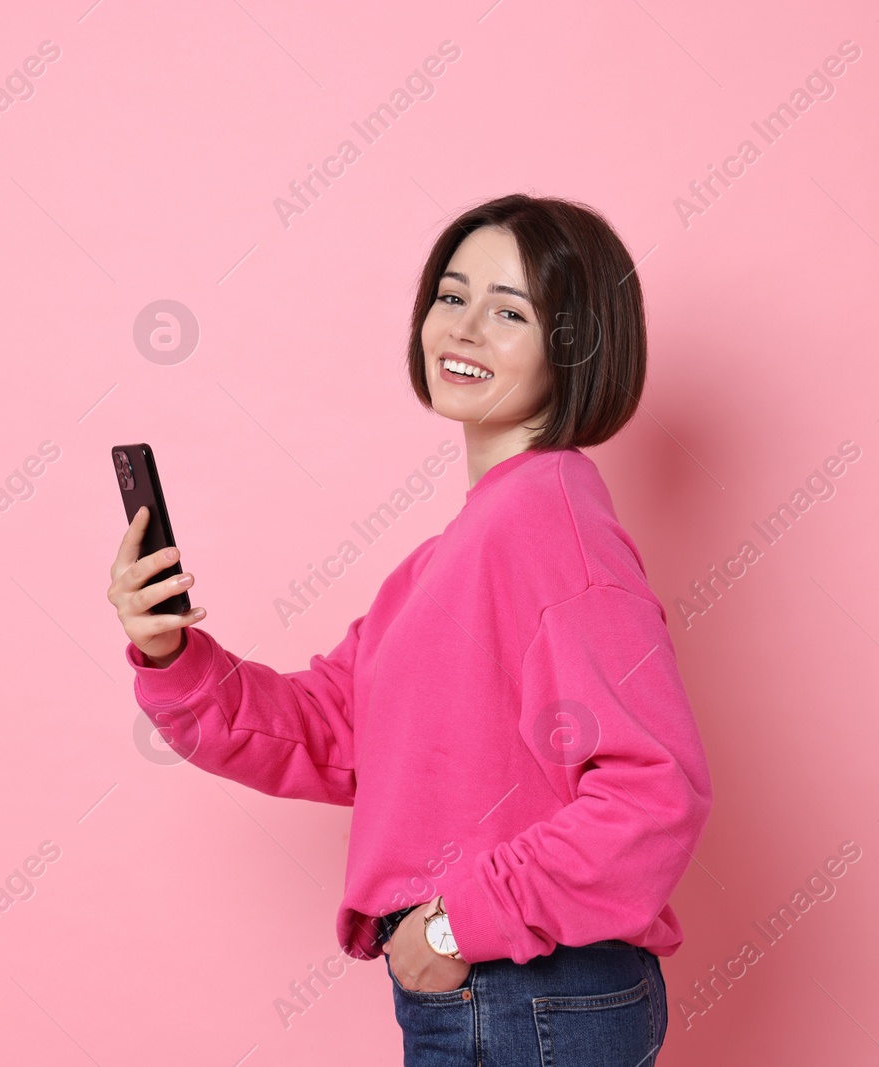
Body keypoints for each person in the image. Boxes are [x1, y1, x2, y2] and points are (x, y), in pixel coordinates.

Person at [109, 193, 712, 1066]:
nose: (463, 329)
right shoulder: (456, 553)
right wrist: (171, 652)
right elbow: (332, 732)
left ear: (575, 344)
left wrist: (455, 920)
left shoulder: (549, 524)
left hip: (525, 992)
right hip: (505, 997)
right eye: (451, 295)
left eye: (509, 311)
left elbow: (655, 794)